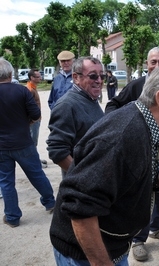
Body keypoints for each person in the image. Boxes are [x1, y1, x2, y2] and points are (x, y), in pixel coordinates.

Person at [50, 66, 159, 265]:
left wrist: (154, 182)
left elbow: (122, 178)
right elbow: (80, 207)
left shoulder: (145, 127)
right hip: (86, 254)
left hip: (113, 246)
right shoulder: (123, 137)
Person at [105, 47, 159, 262]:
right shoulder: (137, 86)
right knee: (143, 198)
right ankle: (138, 240)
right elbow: (112, 105)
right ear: (146, 64)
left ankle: (156, 227)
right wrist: (123, 133)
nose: (157, 66)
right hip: (143, 154)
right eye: (153, 61)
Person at [0, 58, 55, 228]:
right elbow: (36, 113)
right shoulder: (22, 91)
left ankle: (12, 217)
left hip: (1, 146)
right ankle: (50, 202)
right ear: (10, 73)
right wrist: (27, 122)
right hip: (23, 141)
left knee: (6, 182)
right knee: (36, 174)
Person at [46, 56, 104, 179]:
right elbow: (57, 151)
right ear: (76, 78)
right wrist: (82, 176)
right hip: (83, 185)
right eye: (93, 76)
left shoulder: (89, 99)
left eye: (102, 76)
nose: (99, 80)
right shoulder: (66, 105)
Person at [26, 69, 47, 168]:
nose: (40, 78)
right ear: (32, 78)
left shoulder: (33, 88)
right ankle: (34, 162)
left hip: (36, 119)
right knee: (32, 141)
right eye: (38, 77)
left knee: (34, 141)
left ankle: (35, 159)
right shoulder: (30, 90)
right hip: (33, 121)